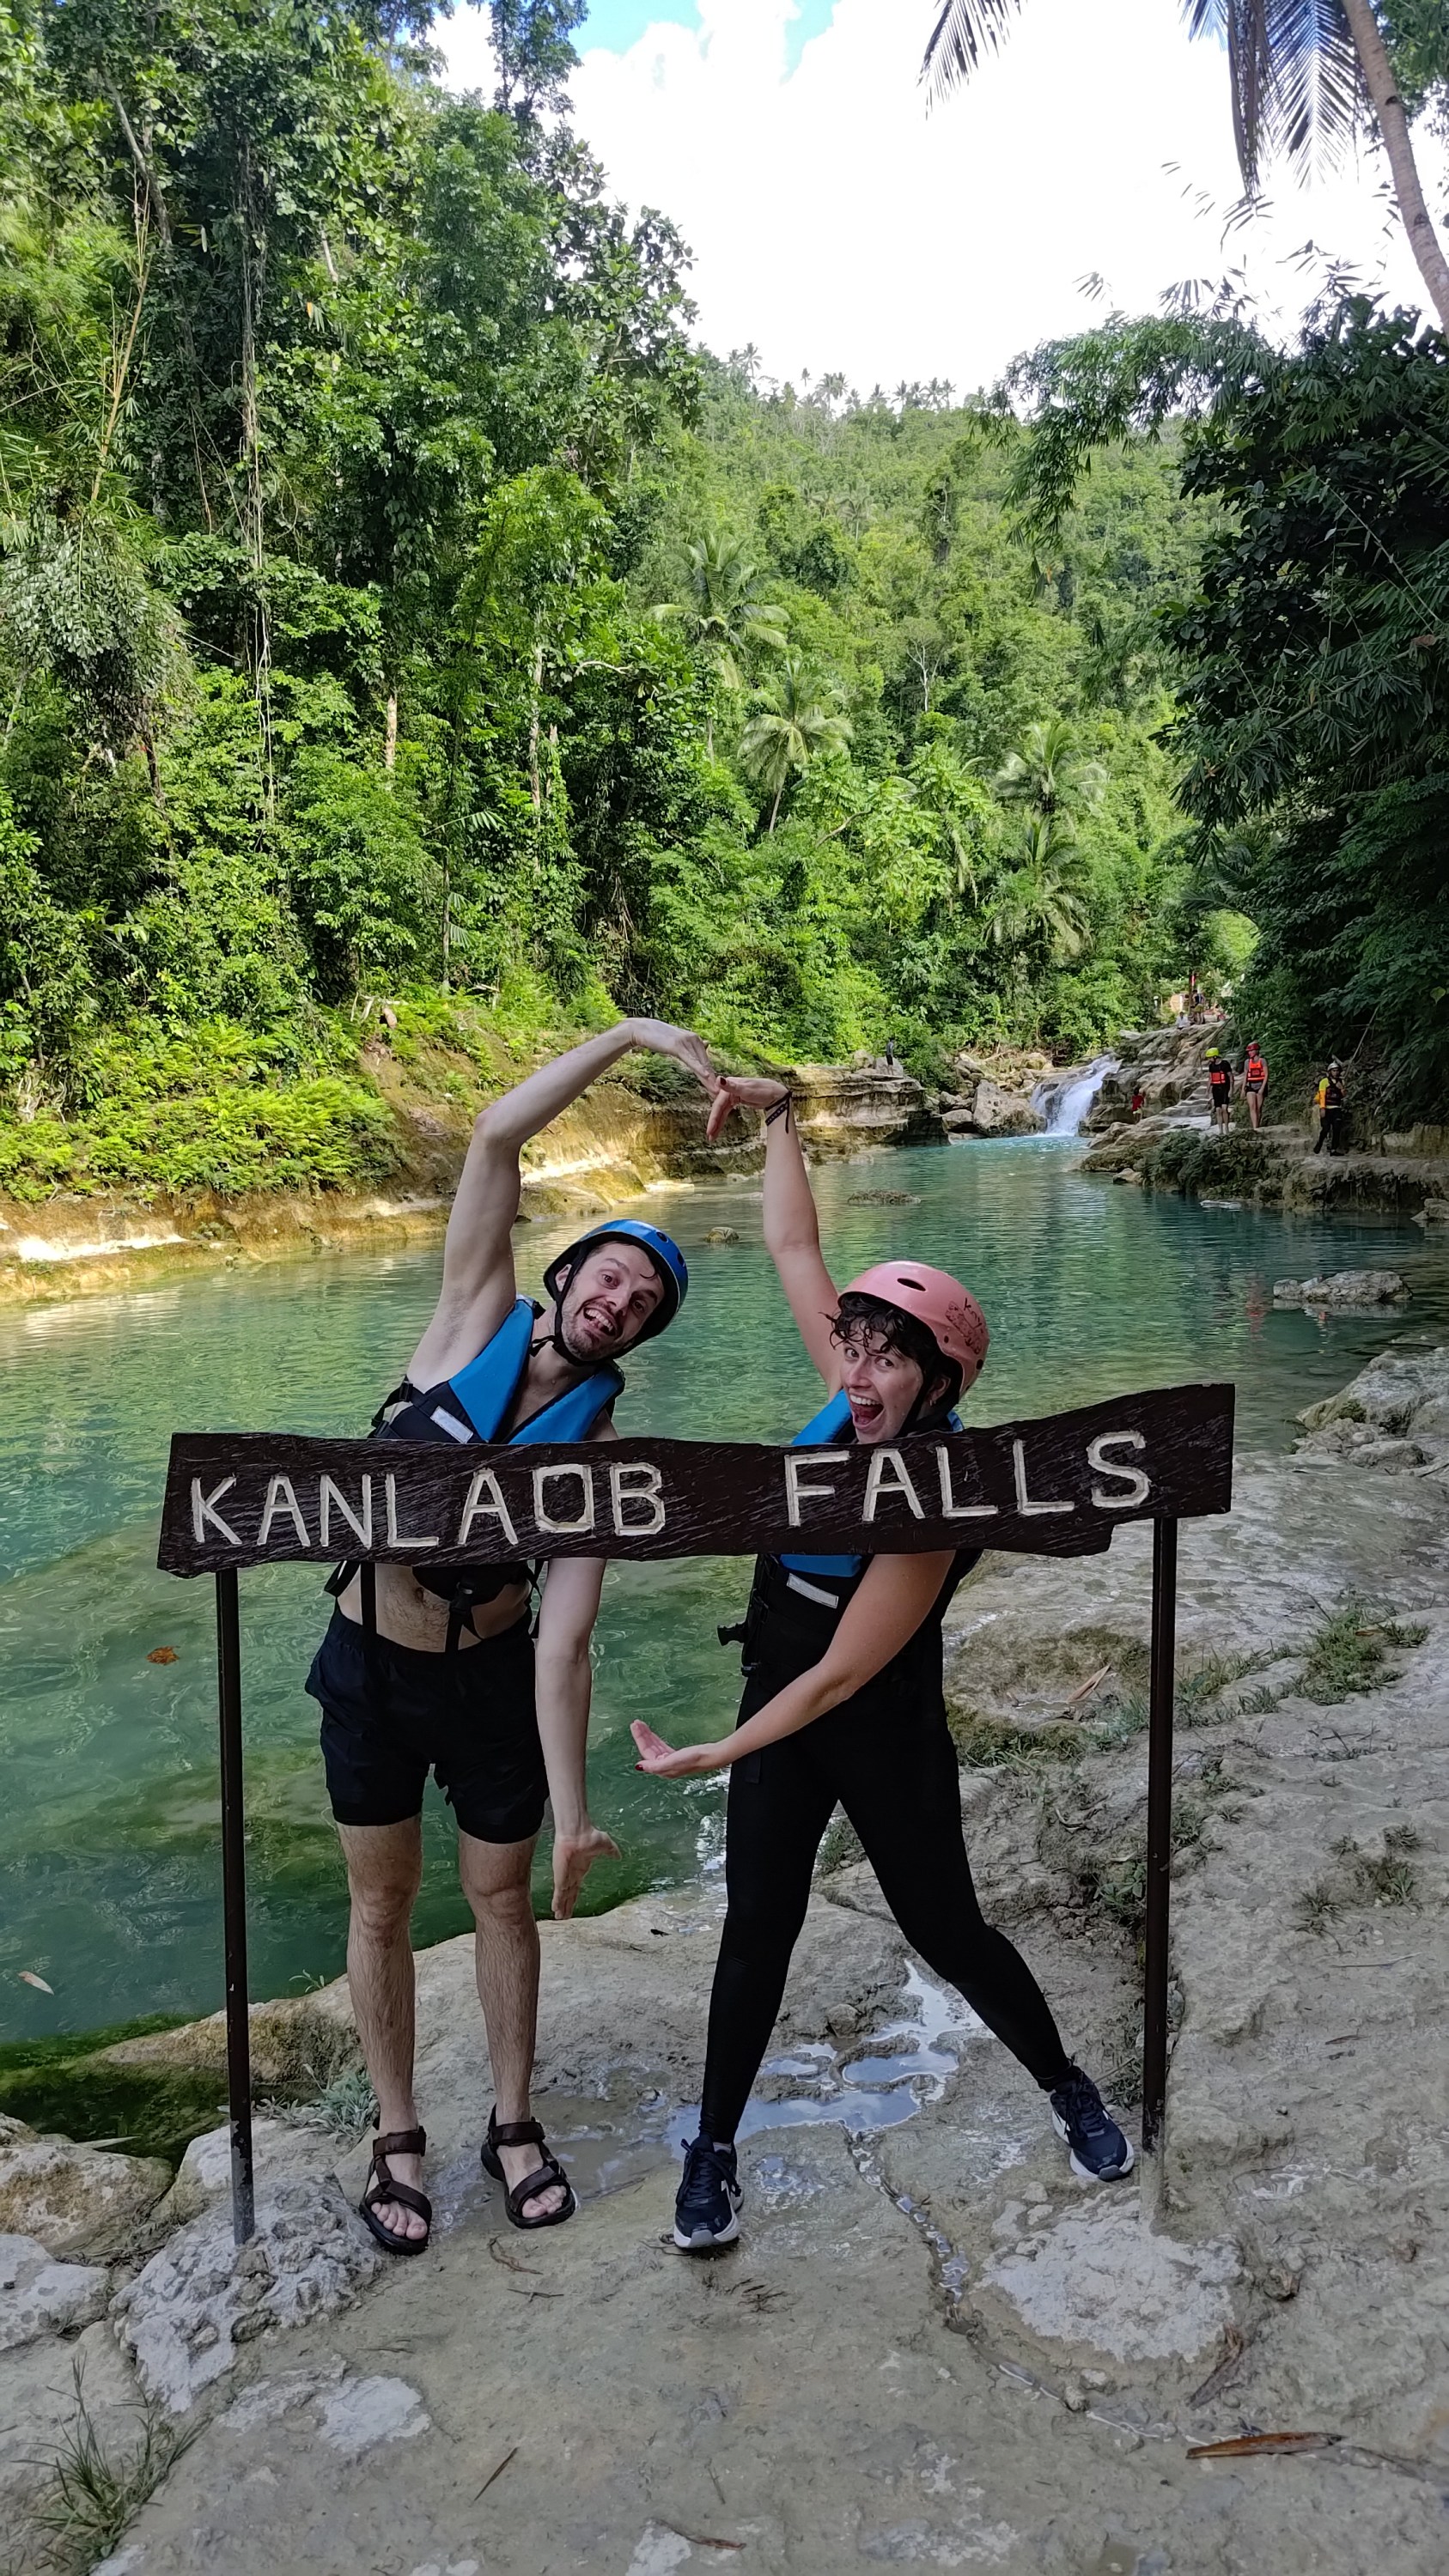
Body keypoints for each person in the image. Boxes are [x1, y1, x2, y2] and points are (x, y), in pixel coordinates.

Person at [632, 1073, 1133, 2256]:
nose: (857, 1375)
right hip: (778, 1696)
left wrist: (717, 1752)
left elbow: (841, 1678)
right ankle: (712, 2151)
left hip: (873, 1719)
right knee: (756, 1930)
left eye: (887, 1360)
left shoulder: (936, 1499)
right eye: (850, 1350)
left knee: (946, 1927)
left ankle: (1063, 2084)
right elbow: (792, 1242)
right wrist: (778, 1118)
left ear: (939, 1383)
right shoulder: (841, 1404)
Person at [305, 1019, 711, 2253]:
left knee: (501, 1903)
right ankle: (396, 2132)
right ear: (567, 1274)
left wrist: (576, 1812)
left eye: (641, 1306)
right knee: (381, 1904)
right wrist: (629, 1035)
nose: (618, 1304)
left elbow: (564, 1645)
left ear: (637, 1337)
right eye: (610, 1278)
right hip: (369, 1667)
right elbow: (492, 1139)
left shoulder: (594, 1455)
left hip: (488, 1679)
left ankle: (514, 2121)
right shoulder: (467, 1322)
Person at [1313, 1060, 1347, 1155]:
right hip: (1327, 1108)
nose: (1336, 1072)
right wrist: (1322, 1108)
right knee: (1326, 1128)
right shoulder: (1324, 1082)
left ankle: (1334, 1149)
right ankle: (1319, 1143)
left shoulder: (1341, 1081)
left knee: (1337, 1128)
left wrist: (1341, 1088)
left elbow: (1344, 1095)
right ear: (1330, 1072)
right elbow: (1322, 1096)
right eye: (1334, 1071)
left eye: (1337, 1070)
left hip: (1336, 1108)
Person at [1241, 1040, 1269, 1132]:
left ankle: (1258, 1124)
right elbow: (1245, 1076)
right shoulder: (1247, 1062)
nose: (1250, 1053)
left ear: (1256, 1051)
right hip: (1251, 1086)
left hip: (1260, 1085)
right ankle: (1255, 1128)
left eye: (1251, 1051)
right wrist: (1243, 1089)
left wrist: (1262, 1088)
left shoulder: (1262, 1061)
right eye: (1249, 1051)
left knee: (1258, 1108)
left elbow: (1266, 1075)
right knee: (1252, 1106)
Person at [1206, 1047, 1233, 1135]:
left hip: (1225, 1088)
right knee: (1218, 1109)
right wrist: (1208, 1090)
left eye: (1210, 1058)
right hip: (1216, 1089)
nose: (1209, 1060)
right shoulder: (1211, 1066)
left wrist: (1231, 1089)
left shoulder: (1225, 1064)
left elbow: (1230, 1076)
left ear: (1215, 1057)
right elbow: (1210, 1078)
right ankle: (1220, 1130)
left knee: (1224, 1109)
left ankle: (1227, 1129)